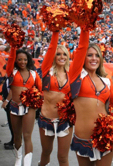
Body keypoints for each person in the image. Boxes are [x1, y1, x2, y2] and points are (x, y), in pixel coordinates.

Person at [69, 29, 113, 166]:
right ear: (83, 57)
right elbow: (82, 46)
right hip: (82, 138)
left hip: (105, 137)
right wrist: (85, 27)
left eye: (97, 55)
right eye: (89, 55)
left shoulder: (106, 81)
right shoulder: (76, 75)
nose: (94, 58)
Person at [38, 31, 72, 166]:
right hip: (46, 119)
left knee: (63, 158)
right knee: (46, 153)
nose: (61, 56)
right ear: (53, 56)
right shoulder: (47, 70)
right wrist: (55, 31)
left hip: (65, 121)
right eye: (58, 54)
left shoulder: (72, 74)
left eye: (64, 54)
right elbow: (52, 46)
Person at [6, 47, 42, 166]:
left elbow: (41, 91)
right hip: (15, 106)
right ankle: (18, 159)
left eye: (25, 59)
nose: (22, 62)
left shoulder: (33, 73)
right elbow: (10, 58)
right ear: (16, 60)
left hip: (29, 108)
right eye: (19, 59)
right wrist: (13, 45)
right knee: (17, 135)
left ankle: (27, 163)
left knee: (27, 136)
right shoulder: (12, 71)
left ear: (29, 60)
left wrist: (36, 98)